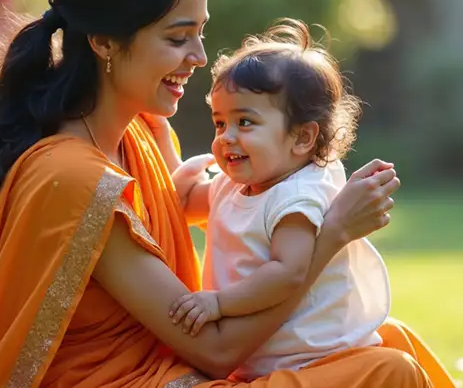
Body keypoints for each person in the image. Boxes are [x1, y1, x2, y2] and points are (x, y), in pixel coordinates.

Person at [0, 0, 454, 388]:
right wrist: (331, 234)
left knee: (386, 338)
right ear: (104, 42)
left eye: (200, 33)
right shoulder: (73, 178)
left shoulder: (140, 135)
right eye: (176, 37)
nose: (198, 56)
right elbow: (214, 349)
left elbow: (222, 209)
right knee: (388, 371)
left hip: (179, 366)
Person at [165, 19, 395, 382]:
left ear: (302, 138)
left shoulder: (297, 197)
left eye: (245, 123)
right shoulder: (239, 182)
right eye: (220, 123)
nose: (226, 137)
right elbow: (189, 204)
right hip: (263, 354)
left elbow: (288, 272)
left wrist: (219, 303)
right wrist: (158, 131)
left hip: (311, 357)